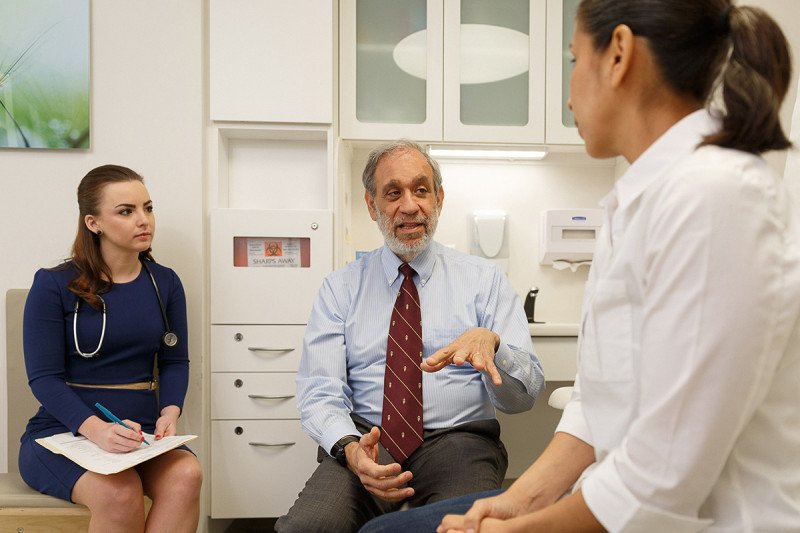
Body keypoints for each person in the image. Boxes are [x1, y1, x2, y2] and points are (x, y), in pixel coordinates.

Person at [360, 1, 800, 532]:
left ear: (618, 55)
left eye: (573, 60)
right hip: (621, 500)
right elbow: (596, 404)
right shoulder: (638, 202)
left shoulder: (714, 197)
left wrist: (518, 531)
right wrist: (517, 501)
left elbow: (663, 476)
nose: (567, 94)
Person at [275, 140, 545, 532]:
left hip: (459, 442)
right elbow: (320, 390)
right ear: (372, 205)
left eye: (421, 190)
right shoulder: (340, 289)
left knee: (464, 528)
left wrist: (495, 348)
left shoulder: (484, 281)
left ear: (438, 198)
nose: (409, 206)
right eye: (393, 193)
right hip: (367, 439)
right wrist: (350, 449)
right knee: (307, 528)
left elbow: (523, 399)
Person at [19, 165, 202, 532]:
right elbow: (43, 378)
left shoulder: (164, 283)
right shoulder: (54, 284)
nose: (143, 220)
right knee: (119, 492)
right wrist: (96, 430)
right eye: (126, 211)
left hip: (140, 433)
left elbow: (174, 360)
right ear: (93, 223)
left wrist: (170, 410)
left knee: (187, 474)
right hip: (63, 434)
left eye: (148, 208)